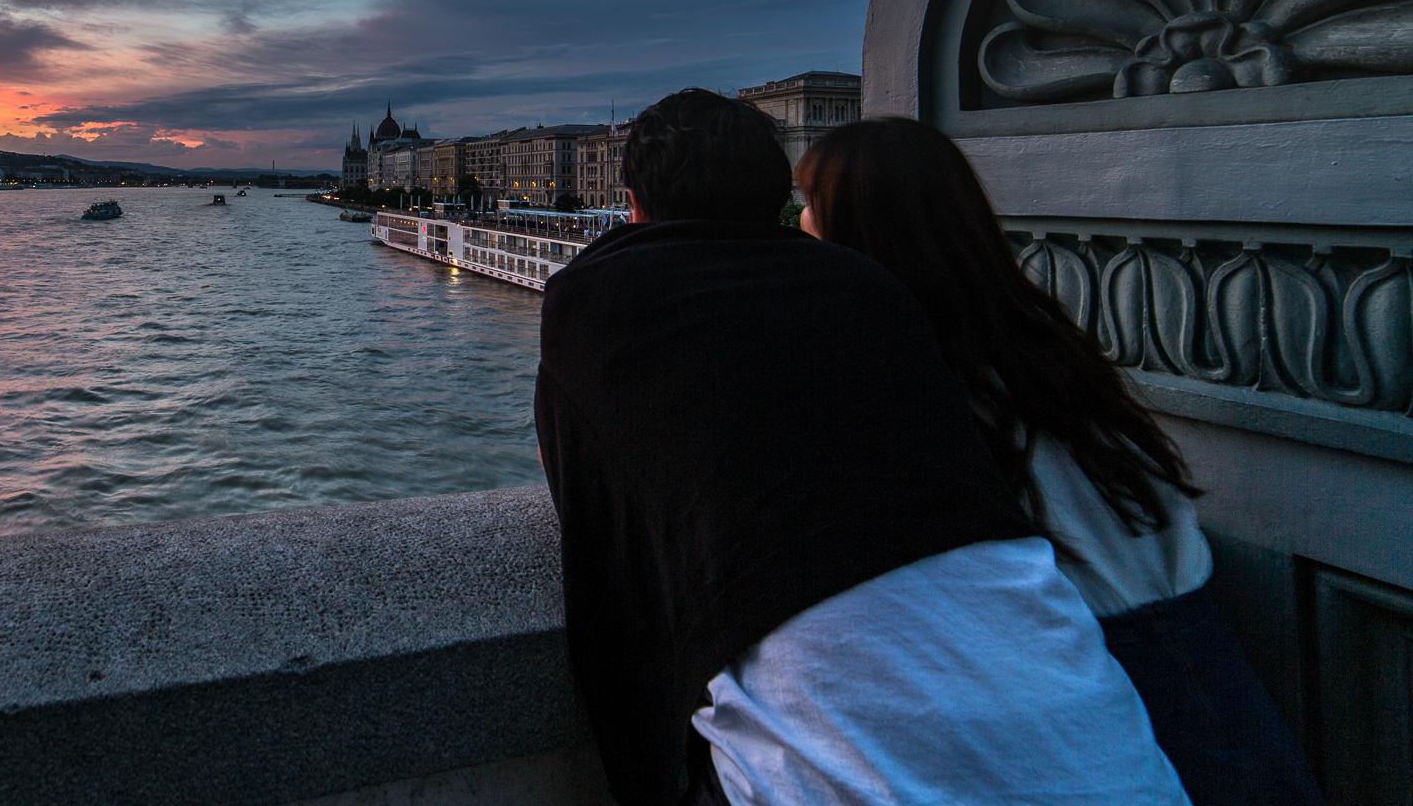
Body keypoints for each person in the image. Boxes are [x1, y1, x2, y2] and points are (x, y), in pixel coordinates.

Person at [537, 88, 1188, 806]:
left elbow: (606, 551)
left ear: (632, 205)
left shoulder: (594, 303)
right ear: (776, 197)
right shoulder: (883, 300)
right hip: (1113, 746)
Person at [793, 116, 1322, 806]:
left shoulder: (909, 375)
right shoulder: (1031, 335)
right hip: (1197, 639)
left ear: (858, 227)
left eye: (809, 203)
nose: (799, 220)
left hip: (1089, 663)